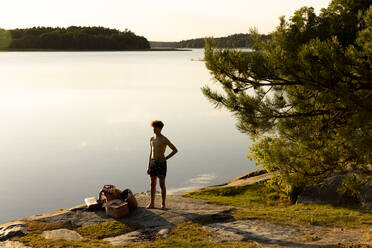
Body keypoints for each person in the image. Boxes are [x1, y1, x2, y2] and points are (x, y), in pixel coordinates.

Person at [146, 120, 178, 209]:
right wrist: (148, 166)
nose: (153, 129)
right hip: (153, 162)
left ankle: (163, 203)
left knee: (161, 184)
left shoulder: (164, 139)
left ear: (160, 128)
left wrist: (166, 158)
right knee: (152, 183)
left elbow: (175, 150)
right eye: (153, 127)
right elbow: (150, 153)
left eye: (155, 127)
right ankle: (152, 203)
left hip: (161, 163)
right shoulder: (152, 139)